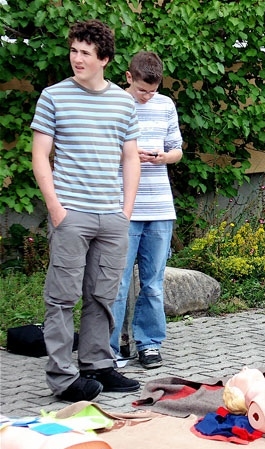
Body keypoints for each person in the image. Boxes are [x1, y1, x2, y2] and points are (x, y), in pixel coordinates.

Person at [30, 20, 141, 402]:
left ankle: (97, 365)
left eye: (85, 53)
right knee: (61, 298)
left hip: (111, 217)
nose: (76, 59)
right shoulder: (54, 97)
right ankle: (63, 379)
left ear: (104, 59)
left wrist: (125, 211)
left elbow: (130, 157)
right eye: (73, 50)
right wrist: (55, 207)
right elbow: (40, 156)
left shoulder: (123, 102)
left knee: (102, 297)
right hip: (71, 214)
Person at [109, 51, 183, 369]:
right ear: (129, 77)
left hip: (160, 207)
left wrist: (163, 157)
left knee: (153, 283)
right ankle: (109, 348)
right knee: (117, 282)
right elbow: (101, 150)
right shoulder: (112, 103)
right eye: (142, 90)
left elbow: (177, 150)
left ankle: (149, 344)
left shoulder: (165, 105)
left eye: (152, 91)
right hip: (123, 207)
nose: (147, 96)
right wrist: (129, 155)